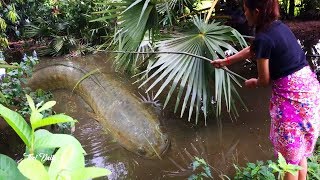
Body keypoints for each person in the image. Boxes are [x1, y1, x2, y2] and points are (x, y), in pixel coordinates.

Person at [211, 0, 320, 179]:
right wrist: (226, 62)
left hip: (292, 100)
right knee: (299, 153)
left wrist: (254, 82)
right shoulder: (277, 27)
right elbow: (252, 49)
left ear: (256, 11)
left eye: (246, 10)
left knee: (289, 161)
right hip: (309, 94)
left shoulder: (264, 37)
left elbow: (264, 80)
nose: (244, 14)